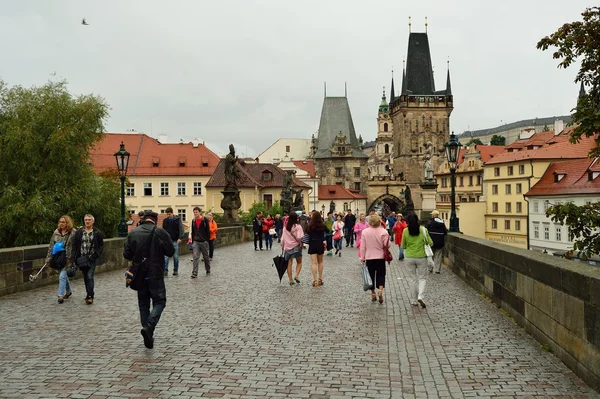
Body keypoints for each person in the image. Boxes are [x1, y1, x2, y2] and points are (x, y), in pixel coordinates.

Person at [123, 210, 175, 349]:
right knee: (160, 301)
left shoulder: (133, 233)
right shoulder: (160, 232)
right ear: (155, 220)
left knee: (143, 304)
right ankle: (149, 326)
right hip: (156, 273)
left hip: (139, 275)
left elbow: (126, 254)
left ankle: (148, 331)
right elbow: (170, 252)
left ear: (144, 219)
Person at [401, 212, 434, 309]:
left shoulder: (405, 231)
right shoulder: (423, 230)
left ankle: (414, 300)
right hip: (421, 257)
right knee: (422, 278)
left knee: (412, 279)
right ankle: (420, 296)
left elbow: (403, 245)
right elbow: (430, 243)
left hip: (409, 257)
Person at [71, 214, 104, 304]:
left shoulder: (97, 233)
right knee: (85, 277)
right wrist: (73, 258)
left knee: (90, 276)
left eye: (89, 220)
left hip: (91, 258)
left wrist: (96, 255)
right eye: (86, 220)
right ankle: (89, 293)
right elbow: (74, 245)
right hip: (81, 258)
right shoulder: (79, 232)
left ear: (93, 221)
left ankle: (90, 296)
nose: (87, 221)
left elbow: (101, 246)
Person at [359, 214, 390, 304]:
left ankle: (373, 293)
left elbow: (363, 246)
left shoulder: (365, 232)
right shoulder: (383, 231)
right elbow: (387, 245)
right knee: (381, 275)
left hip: (369, 257)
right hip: (380, 257)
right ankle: (380, 291)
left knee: (371, 276)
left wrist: (362, 257)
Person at [46, 215, 75, 304]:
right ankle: (68, 291)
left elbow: (76, 245)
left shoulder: (73, 232)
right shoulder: (56, 232)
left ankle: (60, 295)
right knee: (63, 276)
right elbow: (51, 246)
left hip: (68, 259)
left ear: (68, 223)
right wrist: (48, 258)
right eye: (60, 222)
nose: (61, 224)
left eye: (63, 222)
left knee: (62, 276)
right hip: (58, 258)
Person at [280, 213, 303, 285]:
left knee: (289, 264)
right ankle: (296, 275)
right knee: (299, 262)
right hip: (296, 246)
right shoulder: (298, 226)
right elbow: (300, 237)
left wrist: (283, 246)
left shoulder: (285, 227)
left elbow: (282, 239)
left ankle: (291, 280)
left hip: (288, 247)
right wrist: (301, 243)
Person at [188, 207, 211, 277]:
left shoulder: (204, 220)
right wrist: (192, 239)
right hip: (196, 241)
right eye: (194, 212)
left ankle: (208, 269)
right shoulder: (193, 221)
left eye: (196, 212)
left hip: (204, 241)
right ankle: (194, 272)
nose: (195, 213)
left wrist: (207, 240)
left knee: (206, 257)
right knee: (195, 256)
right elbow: (193, 231)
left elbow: (208, 230)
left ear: (199, 212)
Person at [162, 207, 185, 276]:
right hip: (167, 241)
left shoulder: (177, 220)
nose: (168, 216)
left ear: (172, 213)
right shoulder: (165, 221)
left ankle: (175, 270)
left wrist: (180, 237)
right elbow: (163, 230)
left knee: (175, 256)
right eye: (167, 214)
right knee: (166, 256)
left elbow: (181, 229)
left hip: (175, 240)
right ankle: (165, 270)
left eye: (169, 214)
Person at [306, 211, 326, 287]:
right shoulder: (322, 225)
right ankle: (320, 279)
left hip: (312, 244)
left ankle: (314, 281)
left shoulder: (310, 226)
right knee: (320, 262)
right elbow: (328, 230)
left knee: (314, 263)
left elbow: (307, 233)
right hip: (320, 244)